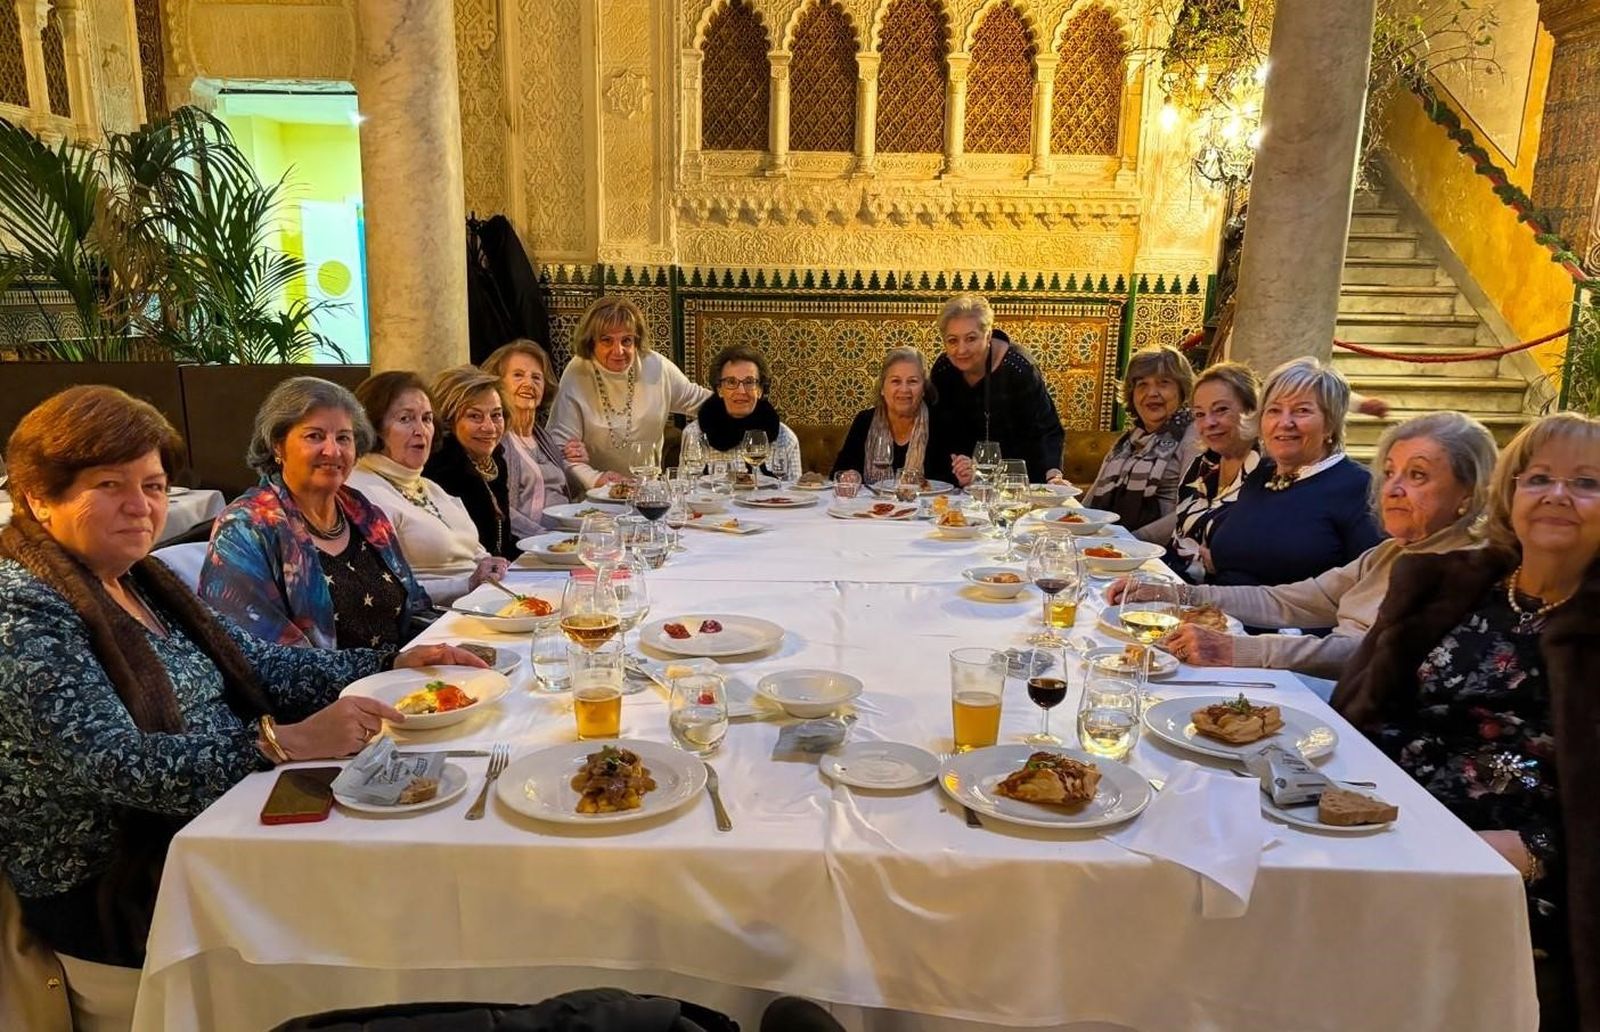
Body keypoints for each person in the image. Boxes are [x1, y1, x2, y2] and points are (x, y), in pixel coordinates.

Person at [0, 386, 482, 1029]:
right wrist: (280, 742)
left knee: (419, 837)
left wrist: (389, 665)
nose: (141, 506)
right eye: (109, 485)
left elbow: (255, 662)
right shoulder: (23, 606)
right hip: (123, 883)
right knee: (386, 895)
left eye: (153, 485)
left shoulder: (137, 580)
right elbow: (112, 762)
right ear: (38, 496)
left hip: (219, 821)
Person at [1332, 413, 1600, 1030]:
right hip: (1378, 811)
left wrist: (1534, 851)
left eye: (1586, 482)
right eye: (1539, 478)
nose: (1557, 495)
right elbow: (1362, 707)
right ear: (1511, 493)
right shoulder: (1450, 583)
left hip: (1511, 856)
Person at [1125, 411, 1498, 678]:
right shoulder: (1392, 552)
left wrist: (1239, 649)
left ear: (1469, 492)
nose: (1393, 488)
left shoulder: (1463, 569)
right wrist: (1181, 595)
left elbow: (1369, 652)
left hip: (1362, 716)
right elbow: (1289, 601)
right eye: (1389, 473)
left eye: (1417, 475)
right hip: (1331, 689)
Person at [202, 377, 430, 650]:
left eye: (343, 438)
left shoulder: (364, 513)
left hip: (405, 673)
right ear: (278, 445)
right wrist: (386, 663)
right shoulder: (245, 527)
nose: (333, 451)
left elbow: (415, 608)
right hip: (331, 681)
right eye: (315, 436)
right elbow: (252, 654)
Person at [1201, 357, 1384, 587]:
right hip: (1217, 606)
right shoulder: (1262, 474)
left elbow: (1368, 588)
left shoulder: (1360, 487)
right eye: (1274, 410)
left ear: (1330, 423)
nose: (1284, 422)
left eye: (1301, 410)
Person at [346, 372, 509, 605]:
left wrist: (494, 567)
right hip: (432, 619)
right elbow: (383, 588)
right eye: (406, 419)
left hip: (483, 603)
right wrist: (466, 585)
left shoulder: (430, 487)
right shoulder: (360, 492)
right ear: (374, 427)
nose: (420, 430)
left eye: (427, 419)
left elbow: (477, 553)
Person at [548, 296, 711, 488]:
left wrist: (740, 399)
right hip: (595, 493)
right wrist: (597, 480)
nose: (618, 351)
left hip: (647, 490)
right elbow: (559, 450)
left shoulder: (656, 367)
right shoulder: (577, 373)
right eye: (607, 341)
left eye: (626, 340)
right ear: (591, 342)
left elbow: (707, 404)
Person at [1142, 361, 1260, 578]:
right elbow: (1177, 538)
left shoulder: (1267, 476)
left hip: (1220, 592)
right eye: (1200, 414)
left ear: (1251, 410)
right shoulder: (1201, 465)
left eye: (1221, 410)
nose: (1209, 423)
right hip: (1169, 578)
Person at [932, 293, 1065, 484]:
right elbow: (938, 432)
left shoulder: (1019, 368)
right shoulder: (943, 370)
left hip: (1019, 480)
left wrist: (1053, 475)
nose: (961, 350)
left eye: (971, 338)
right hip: (963, 482)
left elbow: (1046, 429)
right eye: (952, 340)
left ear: (988, 336)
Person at [1082, 345, 1198, 534]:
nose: (1152, 393)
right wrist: (1076, 527)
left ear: (1182, 389)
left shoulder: (1194, 435)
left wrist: (1131, 540)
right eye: (1142, 384)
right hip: (1110, 543)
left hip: (1159, 548)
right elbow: (1091, 501)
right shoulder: (1127, 442)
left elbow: (1193, 508)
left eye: (1163, 383)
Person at [482, 339, 580, 538]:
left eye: (536, 377)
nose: (529, 384)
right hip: (533, 542)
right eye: (518, 375)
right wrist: (545, 538)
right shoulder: (495, 440)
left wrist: (573, 461)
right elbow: (499, 508)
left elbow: (564, 492)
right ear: (498, 384)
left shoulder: (544, 439)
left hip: (567, 535)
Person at [424, 366, 520, 560]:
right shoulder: (442, 467)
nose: (489, 427)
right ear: (448, 421)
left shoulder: (495, 461)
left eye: (496, 415)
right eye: (474, 416)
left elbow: (502, 543)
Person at [833, 347, 955, 485]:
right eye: (896, 381)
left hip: (924, 500)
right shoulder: (864, 420)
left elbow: (950, 481)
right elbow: (838, 472)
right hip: (873, 500)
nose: (904, 389)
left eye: (912, 381)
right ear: (882, 388)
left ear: (923, 389)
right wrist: (850, 476)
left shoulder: (941, 423)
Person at [681, 344, 802, 477]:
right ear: (719, 389)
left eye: (749, 382)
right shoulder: (694, 435)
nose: (741, 391)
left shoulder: (785, 439)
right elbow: (686, 487)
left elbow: (795, 489)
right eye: (731, 382)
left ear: (760, 390)